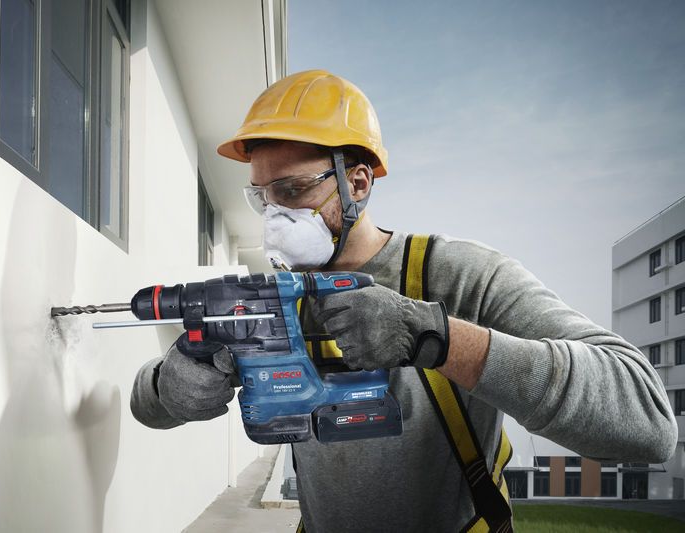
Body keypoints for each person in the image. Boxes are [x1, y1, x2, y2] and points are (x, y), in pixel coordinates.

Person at [131, 70, 677, 532]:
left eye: (293, 191)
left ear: (359, 183)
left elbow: (646, 421)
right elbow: (146, 404)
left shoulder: (458, 276)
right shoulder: (274, 297)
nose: (276, 217)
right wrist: (171, 387)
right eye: (263, 197)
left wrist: (435, 337)